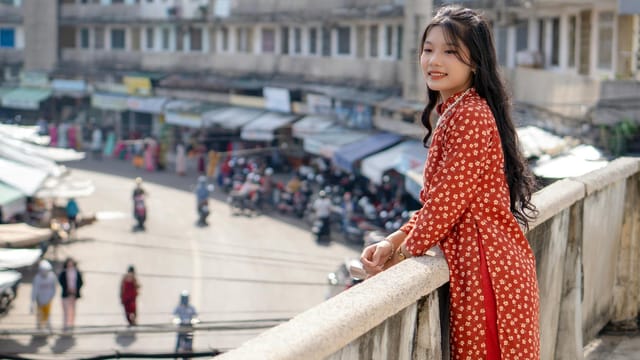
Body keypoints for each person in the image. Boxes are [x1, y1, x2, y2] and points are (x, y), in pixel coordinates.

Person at [359, 6, 539, 359]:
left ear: (476, 62)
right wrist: (392, 240)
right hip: (485, 264)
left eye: (451, 51)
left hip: (488, 271)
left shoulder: (469, 114)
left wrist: (398, 255)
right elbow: (440, 203)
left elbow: (445, 206)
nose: (434, 60)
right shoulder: (458, 110)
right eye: (428, 49)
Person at [58, 257, 84, 331]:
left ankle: (71, 325)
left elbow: (80, 282)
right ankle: (65, 325)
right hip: (66, 294)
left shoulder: (76, 272)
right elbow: (61, 281)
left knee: (72, 311)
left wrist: (76, 289)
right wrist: (67, 289)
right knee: (66, 311)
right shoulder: (64, 272)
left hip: (73, 294)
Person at [31, 260, 57, 331]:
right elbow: (34, 291)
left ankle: (48, 327)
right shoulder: (37, 278)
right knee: (40, 315)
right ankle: (39, 328)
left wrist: (51, 297)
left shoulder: (52, 277)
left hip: (48, 299)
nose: (44, 272)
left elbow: (54, 288)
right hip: (39, 300)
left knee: (48, 314)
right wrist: (32, 302)